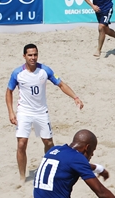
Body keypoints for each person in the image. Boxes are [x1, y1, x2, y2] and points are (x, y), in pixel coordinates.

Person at [6, 43, 84, 184]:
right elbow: (9, 91)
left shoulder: (45, 70)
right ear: (24, 56)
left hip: (41, 112)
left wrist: (75, 97)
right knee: (22, 143)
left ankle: (48, 171)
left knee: (48, 142)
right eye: (30, 55)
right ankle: (22, 177)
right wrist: (11, 112)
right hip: (24, 111)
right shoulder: (17, 73)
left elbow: (61, 84)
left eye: (35, 54)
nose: (33, 57)